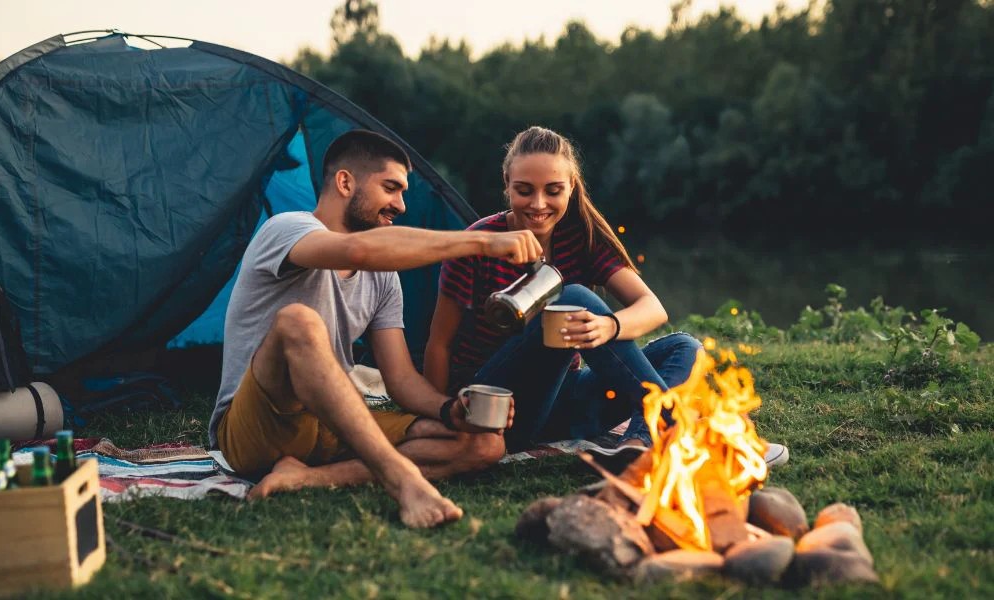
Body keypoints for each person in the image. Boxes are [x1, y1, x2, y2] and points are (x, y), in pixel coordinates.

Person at [208, 129, 542, 528]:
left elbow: (400, 379)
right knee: (298, 320)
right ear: (345, 182)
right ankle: (402, 480)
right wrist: (482, 242)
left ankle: (307, 478)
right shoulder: (286, 228)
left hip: (329, 423)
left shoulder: (384, 279)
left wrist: (449, 409)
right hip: (256, 428)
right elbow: (356, 251)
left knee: (484, 444)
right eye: (390, 188)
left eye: (403, 192)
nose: (401, 204)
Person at [425, 126, 788, 468]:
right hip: (499, 409)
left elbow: (653, 308)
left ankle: (639, 443)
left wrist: (609, 326)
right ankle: (676, 426)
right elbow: (439, 344)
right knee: (574, 296)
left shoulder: (579, 237)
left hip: (564, 401)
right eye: (524, 190)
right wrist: (442, 416)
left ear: (571, 187)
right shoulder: (479, 243)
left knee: (684, 347)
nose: (538, 203)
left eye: (553, 190)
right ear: (506, 183)